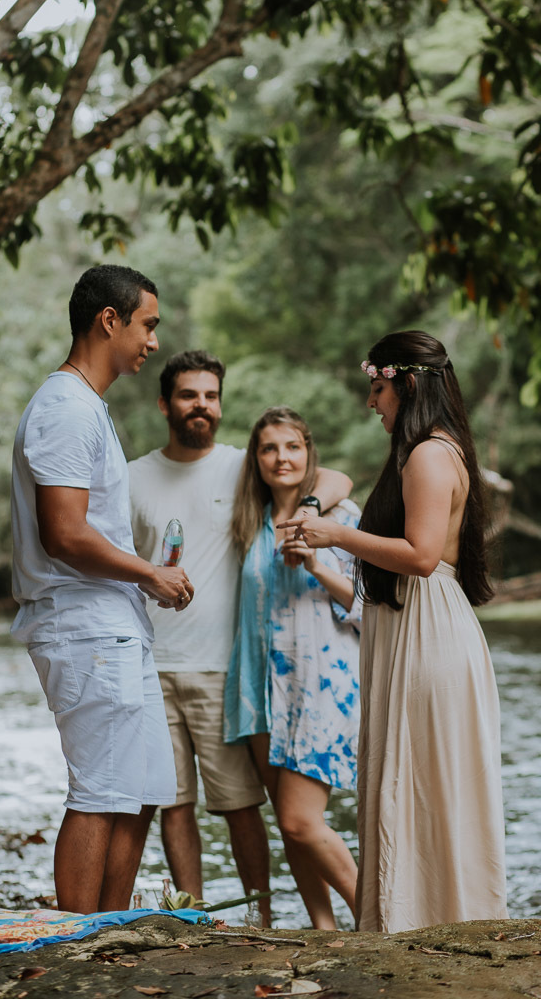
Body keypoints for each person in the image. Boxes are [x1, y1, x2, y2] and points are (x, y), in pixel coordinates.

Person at [278, 330, 508, 933]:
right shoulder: (422, 451)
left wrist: (335, 536)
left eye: (376, 388)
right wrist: (318, 511)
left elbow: (423, 553)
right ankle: (411, 919)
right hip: (409, 627)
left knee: (427, 782)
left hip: (428, 633)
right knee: (411, 780)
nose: (371, 402)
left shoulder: (432, 453)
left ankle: (435, 924)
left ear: (404, 384)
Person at [128, 353, 352, 925]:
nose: (200, 404)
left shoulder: (246, 471)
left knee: (246, 806)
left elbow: (332, 478)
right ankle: (197, 918)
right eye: (187, 394)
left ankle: (267, 917)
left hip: (243, 671)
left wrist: (308, 510)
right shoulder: (137, 477)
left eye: (210, 394)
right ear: (164, 404)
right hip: (179, 669)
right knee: (179, 804)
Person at [10, 264, 194, 915]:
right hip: (83, 626)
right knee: (99, 789)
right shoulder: (63, 407)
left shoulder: (89, 407)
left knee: (140, 787)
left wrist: (147, 577)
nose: (152, 341)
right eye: (147, 325)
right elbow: (63, 533)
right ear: (108, 321)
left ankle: (108, 931)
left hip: (115, 622)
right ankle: (72, 943)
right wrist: (150, 572)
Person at [224, 407, 361, 930]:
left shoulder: (342, 516)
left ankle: (381, 921)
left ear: (309, 453)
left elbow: (368, 606)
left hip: (319, 690)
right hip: (261, 691)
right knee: (288, 825)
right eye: (268, 448)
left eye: (292, 447)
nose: (281, 458)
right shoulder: (250, 523)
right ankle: (324, 930)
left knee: (302, 822)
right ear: (256, 460)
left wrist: (317, 564)